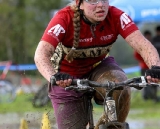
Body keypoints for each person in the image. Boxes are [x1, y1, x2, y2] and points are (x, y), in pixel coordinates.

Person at [34, 0, 160, 129]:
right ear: (80, 4)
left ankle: (112, 126)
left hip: (99, 68)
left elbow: (143, 45)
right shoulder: (63, 18)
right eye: (93, 0)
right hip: (66, 77)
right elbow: (41, 55)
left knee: (119, 84)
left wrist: (155, 67)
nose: (101, 5)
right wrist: (54, 77)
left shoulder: (117, 16)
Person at [134, 30, 159, 102]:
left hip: (152, 66)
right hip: (144, 67)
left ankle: (154, 96)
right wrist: (144, 59)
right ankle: (145, 96)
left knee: (154, 82)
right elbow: (136, 55)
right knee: (144, 82)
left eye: (149, 36)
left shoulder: (153, 44)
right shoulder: (141, 45)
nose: (148, 37)